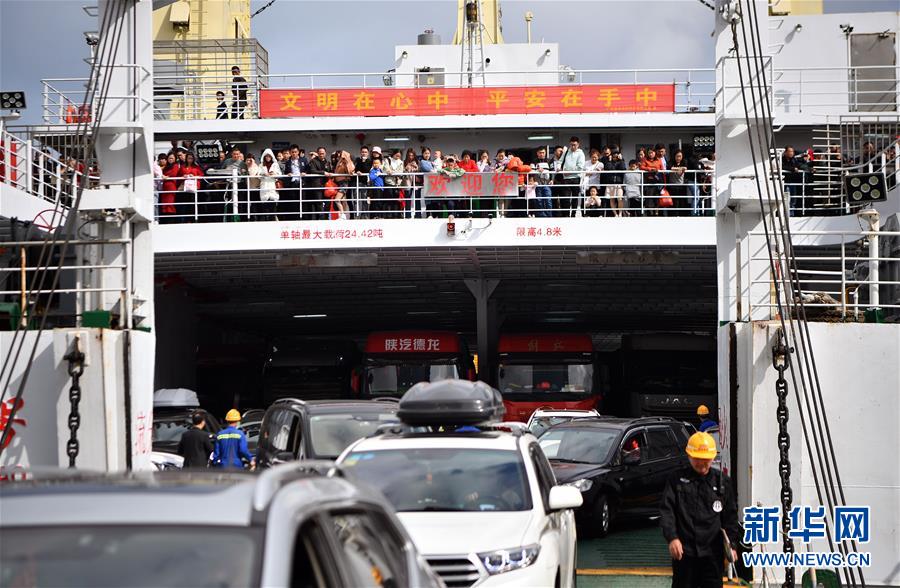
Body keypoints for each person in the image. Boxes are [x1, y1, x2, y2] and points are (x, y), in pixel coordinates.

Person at [660, 432, 738, 588]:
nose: (702, 463)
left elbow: (730, 518)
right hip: (685, 553)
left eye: (706, 460)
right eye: (697, 459)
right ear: (689, 456)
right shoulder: (676, 480)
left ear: (712, 458)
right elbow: (667, 511)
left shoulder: (722, 483)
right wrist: (672, 538)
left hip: (712, 555)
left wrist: (732, 546)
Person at [557, 137, 585, 217]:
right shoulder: (566, 151)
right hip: (566, 178)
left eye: (574, 145)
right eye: (571, 145)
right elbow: (560, 161)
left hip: (576, 178)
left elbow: (580, 167)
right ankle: (566, 215)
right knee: (566, 198)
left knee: (575, 198)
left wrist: (568, 172)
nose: (573, 147)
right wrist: (558, 167)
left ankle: (573, 214)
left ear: (578, 144)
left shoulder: (581, 153)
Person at [306, 147, 331, 219]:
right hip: (317, 185)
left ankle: (326, 217)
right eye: (320, 153)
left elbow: (329, 170)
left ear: (325, 153)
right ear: (317, 153)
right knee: (319, 202)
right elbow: (312, 171)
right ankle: (321, 218)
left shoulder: (327, 162)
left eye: (323, 153)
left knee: (327, 202)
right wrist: (323, 172)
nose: (321, 155)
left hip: (326, 185)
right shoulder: (313, 161)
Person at [178, 152, 204, 221]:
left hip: (194, 187)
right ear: (186, 159)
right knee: (185, 204)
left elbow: (201, 175)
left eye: (191, 158)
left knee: (193, 204)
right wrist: (183, 176)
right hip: (185, 187)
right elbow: (178, 176)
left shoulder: (196, 167)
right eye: (189, 158)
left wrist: (194, 176)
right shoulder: (182, 167)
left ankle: (193, 219)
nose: (190, 160)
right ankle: (185, 219)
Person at [258, 148, 282, 221]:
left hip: (272, 185)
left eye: (269, 156)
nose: (268, 157)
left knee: (273, 205)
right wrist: (263, 174)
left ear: (271, 157)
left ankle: (273, 219)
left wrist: (274, 174)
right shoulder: (261, 165)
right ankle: (266, 220)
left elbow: (280, 174)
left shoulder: (275, 164)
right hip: (264, 186)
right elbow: (258, 175)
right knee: (265, 206)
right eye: (266, 156)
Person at [159, 153, 181, 223]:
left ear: (175, 159)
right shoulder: (166, 166)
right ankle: (165, 219)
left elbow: (174, 174)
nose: (170, 159)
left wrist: (165, 176)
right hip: (165, 186)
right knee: (164, 203)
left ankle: (170, 220)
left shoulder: (175, 165)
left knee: (170, 203)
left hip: (171, 186)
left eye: (172, 158)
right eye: (169, 158)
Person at [532, 146, 553, 218]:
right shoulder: (533, 161)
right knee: (539, 200)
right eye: (540, 153)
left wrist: (552, 180)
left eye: (543, 152)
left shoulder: (549, 161)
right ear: (537, 153)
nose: (541, 154)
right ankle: (541, 216)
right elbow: (531, 173)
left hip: (547, 184)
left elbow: (552, 171)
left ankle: (549, 216)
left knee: (548, 200)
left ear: (545, 153)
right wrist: (533, 180)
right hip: (537, 184)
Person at [606, 149, 627, 217]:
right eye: (613, 156)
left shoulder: (621, 161)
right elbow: (608, 169)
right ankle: (615, 214)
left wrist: (621, 160)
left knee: (619, 198)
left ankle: (620, 213)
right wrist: (609, 161)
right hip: (611, 183)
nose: (615, 157)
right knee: (612, 199)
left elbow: (623, 168)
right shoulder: (609, 162)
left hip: (619, 183)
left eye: (616, 156)